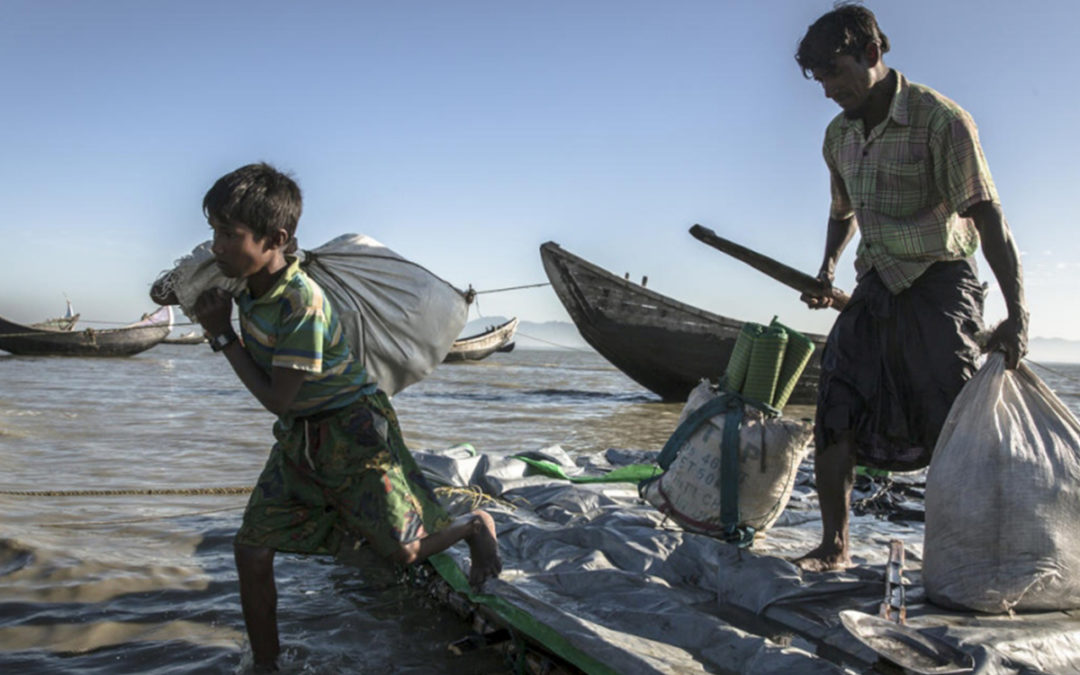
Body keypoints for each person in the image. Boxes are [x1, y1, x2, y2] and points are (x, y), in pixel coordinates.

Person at [152, 163, 501, 671]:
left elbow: (279, 400)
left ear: (277, 239)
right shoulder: (238, 274)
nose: (218, 245)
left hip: (354, 430)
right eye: (214, 233)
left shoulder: (302, 304)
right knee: (251, 550)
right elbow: (166, 291)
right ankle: (267, 666)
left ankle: (474, 525)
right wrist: (185, 281)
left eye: (229, 234)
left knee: (402, 553)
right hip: (301, 436)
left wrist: (221, 334)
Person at [792, 5, 1028, 572]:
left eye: (836, 72)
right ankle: (835, 545)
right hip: (875, 281)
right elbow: (842, 210)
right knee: (835, 405)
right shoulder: (838, 135)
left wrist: (1017, 311)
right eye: (819, 79)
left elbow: (988, 218)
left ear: (872, 55)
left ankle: (970, 552)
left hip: (939, 281)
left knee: (954, 419)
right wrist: (827, 269)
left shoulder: (940, 120)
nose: (828, 89)